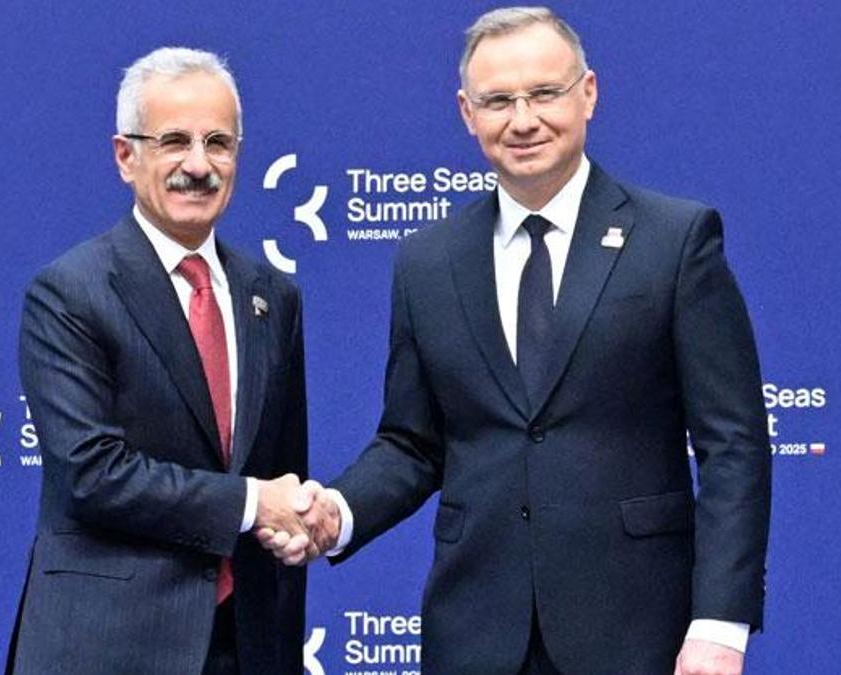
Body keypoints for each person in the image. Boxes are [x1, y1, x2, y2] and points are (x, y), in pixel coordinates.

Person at [264, 7, 771, 675]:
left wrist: (720, 624)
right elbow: (412, 443)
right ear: (467, 114)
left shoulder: (674, 241)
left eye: (544, 93)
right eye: (498, 101)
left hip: (639, 632)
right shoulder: (427, 260)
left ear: (588, 93)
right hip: (475, 634)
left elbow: (733, 443)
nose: (523, 119)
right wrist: (338, 510)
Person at [6, 47, 313, 675]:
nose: (198, 165)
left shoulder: (271, 297)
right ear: (126, 156)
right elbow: (93, 474)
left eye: (218, 143)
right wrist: (252, 503)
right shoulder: (70, 292)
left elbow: (283, 473)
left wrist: (303, 518)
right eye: (174, 141)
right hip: (108, 648)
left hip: (245, 645)